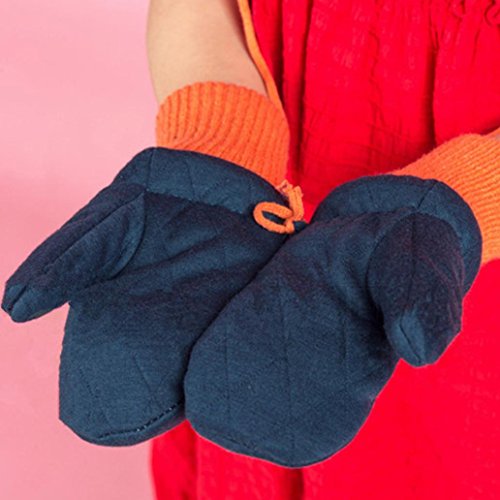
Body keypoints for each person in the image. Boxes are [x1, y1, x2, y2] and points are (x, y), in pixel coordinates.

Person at [148, 0, 500, 498]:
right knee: (249, 407)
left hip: (474, 290)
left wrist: (451, 210)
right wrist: (222, 151)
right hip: (266, 236)